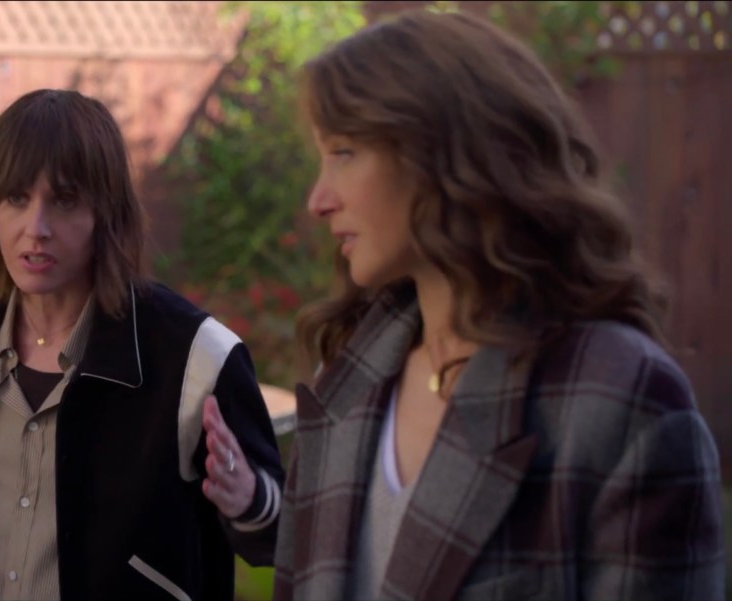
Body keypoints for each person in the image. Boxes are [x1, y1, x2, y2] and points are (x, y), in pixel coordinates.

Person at [273, 9, 724, 601]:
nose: (318, 199)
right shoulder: (346, 384)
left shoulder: (619, 399)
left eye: (345, 153)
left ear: (442, 152)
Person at [0, 89, 286, 600]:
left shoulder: (196, 355)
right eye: (16, 198)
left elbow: (281, 537)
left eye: (65, 200)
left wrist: (249, 499)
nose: (36, 229)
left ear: (107, 212)